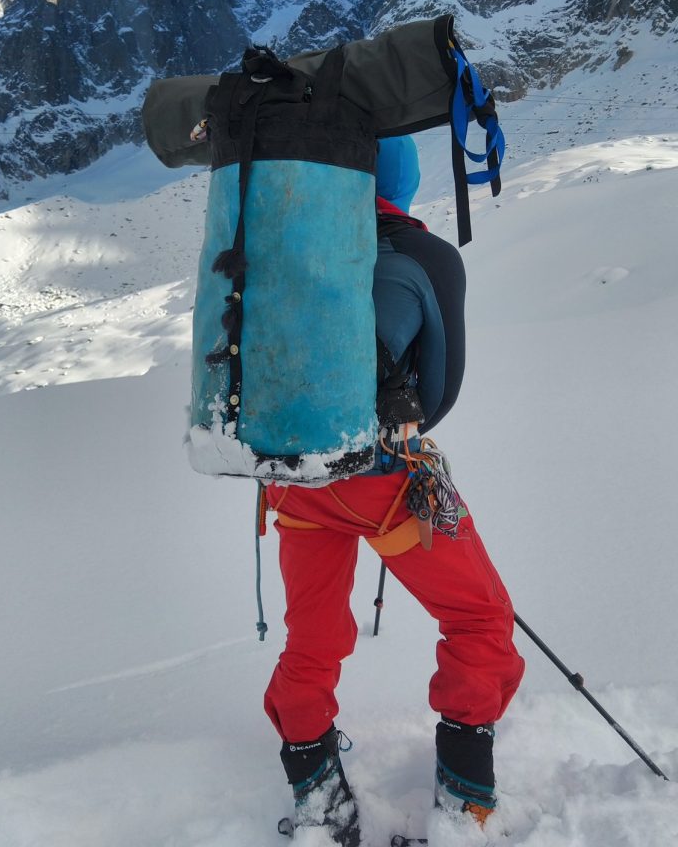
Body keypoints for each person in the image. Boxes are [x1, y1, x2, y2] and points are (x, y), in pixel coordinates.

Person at [262, 136, 525, 845]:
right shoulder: (416, 255)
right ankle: (464, 799)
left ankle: (316, 787)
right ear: (398, 180)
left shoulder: (284, 246)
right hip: (383, 486)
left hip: (291, 490)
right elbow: (427, 384)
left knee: (313, 636)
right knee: (480, 619)